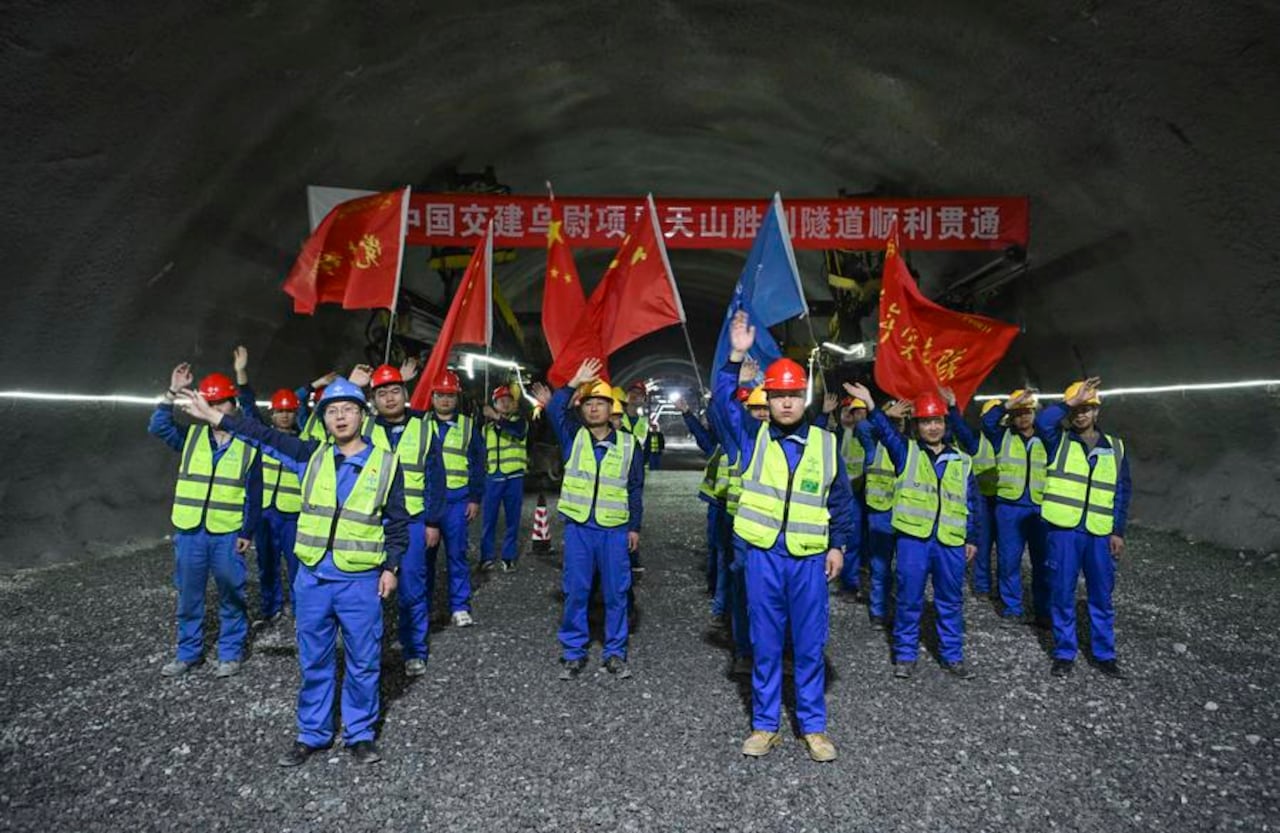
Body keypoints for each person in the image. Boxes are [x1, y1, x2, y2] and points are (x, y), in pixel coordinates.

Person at [178, 377, 408, 766]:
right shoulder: (309, 455)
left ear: (362, 415)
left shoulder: (386, 464)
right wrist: (219, 417)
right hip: (314, 578)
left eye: (348, 409)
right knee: (314, 658)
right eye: (332, 411)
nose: (340, 417)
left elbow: (398, 521)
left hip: (359, 580)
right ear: (323, 419)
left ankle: (360, 734)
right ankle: (313, 734)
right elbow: (261, 435)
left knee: (363, 659)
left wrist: (391, 567)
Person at [715, 311, 855, 763]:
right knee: (766, 642)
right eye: (779, 396)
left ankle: (813, 726)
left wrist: (839, 545)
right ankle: (765, 724)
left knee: (811, 644)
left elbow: (841, 502)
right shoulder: (750, 439)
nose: (788, 403)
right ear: (768, 399)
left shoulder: (826, 444)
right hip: (763, 558)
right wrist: (735, 356)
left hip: (809, 559)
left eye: (795, 394)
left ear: (804, 397)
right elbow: (721, 403)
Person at [850, 383, 982, 680]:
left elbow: (972, 502)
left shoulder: (962, 461)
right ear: (916, 424)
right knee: (909, 599)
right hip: (914, 540)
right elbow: (884, 432)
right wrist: (872, 405)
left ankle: (952, 656)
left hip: (950, 540)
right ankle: (905, 655)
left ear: (945, 423)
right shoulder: (906, 452)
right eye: (925, 421)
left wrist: (972, 537)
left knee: (950, 601)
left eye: (937, 421)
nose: (932, 427)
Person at [533, 360, 644, 680]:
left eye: (601, 403)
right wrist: (574, 382)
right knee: (576, 590)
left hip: (613, 529)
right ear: (582, 410)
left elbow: (635, 488)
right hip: (580, 528)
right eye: (589, 404)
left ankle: (615, 652)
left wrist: (634, 526)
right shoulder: (573, 436)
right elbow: (555, 409)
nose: (594, 409)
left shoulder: (629, 444)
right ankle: (573, 652)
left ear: (612, 409)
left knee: (616, 592)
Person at [150, 364, 262, 678]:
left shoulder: (248, 443)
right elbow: (158, 425)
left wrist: (247, 531)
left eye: (221, 403)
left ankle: (230, 653)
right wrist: (172, 392)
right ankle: (188, 653)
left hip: (227, 532)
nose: (214, 409)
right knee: (189, 594)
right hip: (190, 530)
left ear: (233, 405)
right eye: (210, 404)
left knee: (231, 593)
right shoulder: (191, 436)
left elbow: (255, 492)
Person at [1036, 378, 1131, 679]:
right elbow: (1042, 420)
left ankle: (1104, 654)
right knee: (1062, 592)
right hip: (1064, 531)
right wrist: (1069, 401)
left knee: (1101, 594)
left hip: (1099, 533)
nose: (1081, 415)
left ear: (1097, 413)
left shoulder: (1115, 447)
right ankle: (1065, 652)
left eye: (1088, 409)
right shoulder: (1057, 440)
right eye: (1077, 409)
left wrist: (1117, 530)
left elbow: (1121, 491)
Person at [356, 363, 444, 676]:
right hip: (370, 523)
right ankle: (368, 653)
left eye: (395, 391)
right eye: (382, 393)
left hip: (413, 521)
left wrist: (433, 521)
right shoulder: (363, 428)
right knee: (366, 594)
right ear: (373, 399)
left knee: (412, 590)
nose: (390, 398)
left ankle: (414, 651)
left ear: (406, 393)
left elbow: (436, 477)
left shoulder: (424, 426)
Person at [233, 345, 303, 625]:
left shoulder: (305, 442)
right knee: (267, 565)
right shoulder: (263, 437)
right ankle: (270, 608)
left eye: (289, 411)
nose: (284, 416)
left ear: (296, 414)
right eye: (280, 411)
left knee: (298, 566)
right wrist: (241, 373)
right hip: (265, 513)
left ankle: (301, 612)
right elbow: (248, 408)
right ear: (272, 414)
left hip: (293, 514)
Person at [980, 389, 1049, 627]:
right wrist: (1007, 405)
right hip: (1009, 508)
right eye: (1018, 413)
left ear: (1034, 413)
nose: (1023, 417)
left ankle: (1044, 610)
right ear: (1011, 416)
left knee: (1043, 562)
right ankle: (1012, 607)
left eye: (1027, 411)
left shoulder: (1048, 437)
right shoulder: (1002, 436)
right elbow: (987, 421)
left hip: (1040, 508)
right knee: (1009, 560)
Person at [425, 370, 485, 627]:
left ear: (456, 398)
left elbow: (478, 463)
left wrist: (474, 498)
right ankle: (422, 608)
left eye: (450, 395)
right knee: (423, 559)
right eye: (440, 395)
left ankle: (459, 606)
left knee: (457, 555)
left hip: (456, 501)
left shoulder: (469, 426)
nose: (445, 400)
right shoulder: (419, 424)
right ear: (432, 397)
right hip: (426, 501)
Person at [857, 391, 908, 630]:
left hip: (908, 513)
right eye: (892, 419)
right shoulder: (872, 444)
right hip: (881, 513)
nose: (896, 423)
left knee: (907, 570)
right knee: (880, 566)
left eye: (900, 419)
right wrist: (884, 415)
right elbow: (863, 427)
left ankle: (901, 611)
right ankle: (878, 611)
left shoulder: (911, 447)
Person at [480, 384, 529, 572]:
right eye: (501, 401)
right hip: (493, 478)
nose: (505, 404)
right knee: (488, 520)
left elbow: (517, 432)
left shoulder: (520, 422)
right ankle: (487, 557)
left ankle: (508, 557)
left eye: (509, 400)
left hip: (514, 478)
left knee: (512, 520)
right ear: (494, 404)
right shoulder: (487, 429)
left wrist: (496, 417)